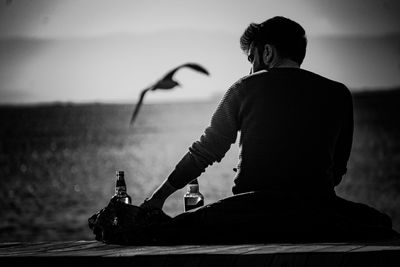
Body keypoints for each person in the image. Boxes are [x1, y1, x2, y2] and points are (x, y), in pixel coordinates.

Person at [139, 16, 396, 244]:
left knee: (171, 228)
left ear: (268, 52)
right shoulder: (339, 94)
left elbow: (204, 151)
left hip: (251, 213)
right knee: (379, 221)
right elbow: (338, 169)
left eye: (252, 58)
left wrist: (158, 198)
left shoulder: (244, 88)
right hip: (318, 212)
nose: (250, 68)